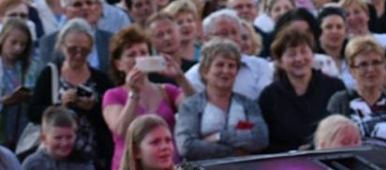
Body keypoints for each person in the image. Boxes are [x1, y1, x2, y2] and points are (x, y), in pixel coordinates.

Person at [101, 26, 190, 170]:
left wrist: (180, 77)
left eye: (143, 52)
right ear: (118, 64)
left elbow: (195, 108)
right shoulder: (113, 95)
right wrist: (134, 94)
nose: (139, 59)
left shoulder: (167, 91)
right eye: (131, 54)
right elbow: (120, 130)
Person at [28, 19, 113, 169]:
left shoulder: (100, 79)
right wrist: (59, 106)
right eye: (73, 50)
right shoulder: (51, 74)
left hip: (93, 154)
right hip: (56, 155)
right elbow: (33, 112)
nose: (78, 55)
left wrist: (92, 107)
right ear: (62, 46)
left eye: (84, 51)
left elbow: (111, 117)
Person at [174, 38, 268, 160]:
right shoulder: (190, 105)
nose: (226, 70)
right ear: (205, 71)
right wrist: (233, 152)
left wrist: (219, 136)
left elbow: (260, 138)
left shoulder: (248, 104)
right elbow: (187, 146)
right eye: (220, 65)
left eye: (231, 66)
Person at [258, 27, 345, 152]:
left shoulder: (334, 87)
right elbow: (266, 142)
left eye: (304, 52)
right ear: (280, 62)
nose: (299, 58)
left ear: (313, 56)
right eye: (291, 54)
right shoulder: (269, 96)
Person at [326, 35, 386, 150]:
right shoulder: (340, 101)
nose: (370, 69)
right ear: (352, 70)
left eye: (376, 63)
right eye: (363, 64)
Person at [0, 18, 38, 149]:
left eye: (22, 44)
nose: (18, 48)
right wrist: (5, 100)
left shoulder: (27, 68)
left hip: (21, 127)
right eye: (13, 42)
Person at [21, 106, 91, 170]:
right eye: (58, 138)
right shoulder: (33, 164)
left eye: (69, 137)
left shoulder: (83, 162)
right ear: (43, 138)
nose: (64, 143)